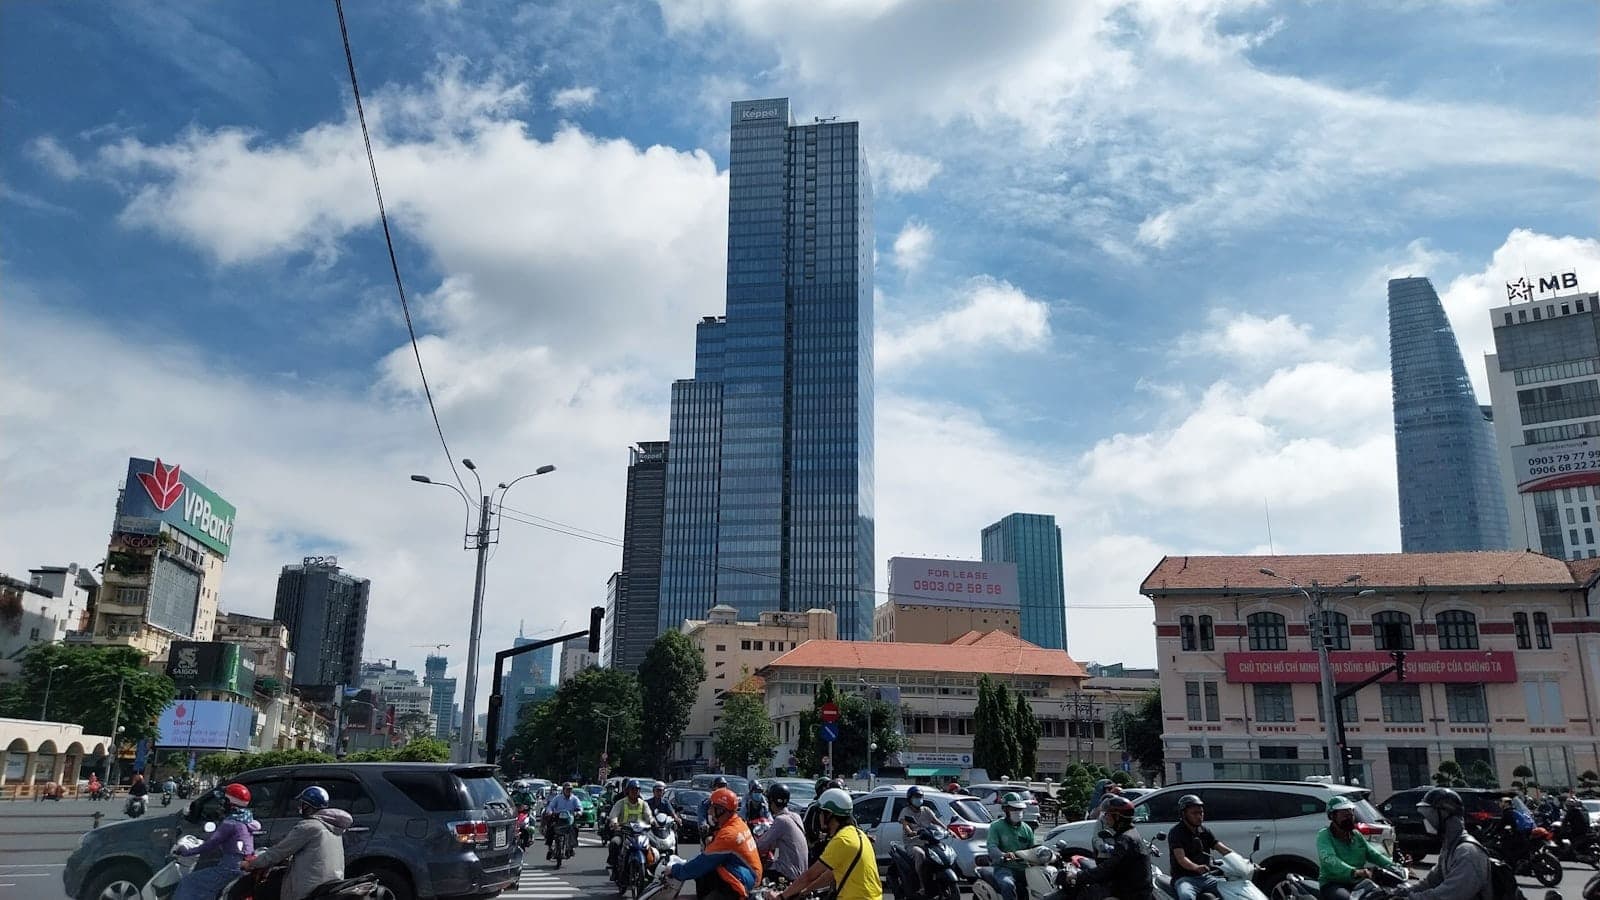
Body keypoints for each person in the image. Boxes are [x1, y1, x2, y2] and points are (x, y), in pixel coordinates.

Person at [241, 786, 352, 900]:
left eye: (301, 803)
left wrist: (251, 864)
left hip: (309, 888)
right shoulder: (335, 828)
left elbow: (278, 852)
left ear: (307, 806)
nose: (299, 807)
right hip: (331, 884)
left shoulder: (309, 826)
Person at [778, 788, 880, 900]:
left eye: (821, 813)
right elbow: (830, 874)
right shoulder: (858, 834)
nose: (819, 817)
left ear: (829, 814)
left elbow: (809, 876)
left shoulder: (842, 840)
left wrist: (781, 896)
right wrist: (806, 891)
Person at [670, 787, 763, 900]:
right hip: (747, 872)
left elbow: (701, 863)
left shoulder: (728, 835)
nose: (709, 811)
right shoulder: (737, 822)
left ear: (720, 810)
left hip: (745, 879)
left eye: (712, 808)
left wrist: (674, 870)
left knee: (703, 868)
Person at [1403, 788, 1492, 900]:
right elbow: (1431, 882)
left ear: (1445, 815)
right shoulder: (1450, 848)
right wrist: (1402, 892)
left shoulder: (1467, 853)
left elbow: (1448, 895)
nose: (1427, 821)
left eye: (1431, 816)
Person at [173, 783, 255, 900]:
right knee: (208, 891)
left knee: (188, 882)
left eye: (223, 801)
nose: (220, 805)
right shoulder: (247, 820)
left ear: (230, 803)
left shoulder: (231, 823)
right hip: (243, 866)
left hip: (229, 868)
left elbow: (211, 844)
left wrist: (186, 851)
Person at [1070, 795, 1152, 900]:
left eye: (1108, 814)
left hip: (1131, 893)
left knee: (1086, 894)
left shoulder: (1125, 839)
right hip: (1133, 890)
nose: (1105, 817)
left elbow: (1108, 867)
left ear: (1117, 817)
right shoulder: (1130, 834)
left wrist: (1079, 876)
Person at [1315, 796, 1397, 900]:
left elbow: (1373, 854)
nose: (1349, 817)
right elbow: (1330, 860)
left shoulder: (1356, 835)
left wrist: (1394, 867)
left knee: (1384, 895)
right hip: (1334, 884)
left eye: (1351, 814)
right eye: (1344, 814)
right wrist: (1354, 872)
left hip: (1359, 882)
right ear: (1332, 816)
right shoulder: (1324, 835)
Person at [1169, 794, 1233, 900]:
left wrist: (1243, 862)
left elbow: (1220, 847)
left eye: (1201, 812)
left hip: (1206, 877)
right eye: (1194, 813)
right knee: (1187, 897)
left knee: (1231, 889)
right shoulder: (1176, 832)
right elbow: (1181, 858)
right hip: (1185, 879)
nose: (1199, 816)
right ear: (1184, 814)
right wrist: (1196, 867)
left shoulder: (1203, 831)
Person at [984, 793, 1036, 900]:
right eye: (1014, 809)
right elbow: (992, 846)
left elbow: (1033, 849)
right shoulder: (996, 826)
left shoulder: (1027, 829)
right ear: (1005, 809)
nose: (1018, 812)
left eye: (1020, 809)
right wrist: (1003, 855)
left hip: (1024, 869)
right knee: (1008, 884)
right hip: (1004, 868)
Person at [756, 782, 808, 884]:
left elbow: (760, 846)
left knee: (756, 878)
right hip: (801, 873)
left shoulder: (781, 820)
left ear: (771, 801)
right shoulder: (796, 816)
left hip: (788, 874)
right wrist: (774, 860)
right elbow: (780, 846)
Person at [897, 786, 943, 896]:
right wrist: (911, 832)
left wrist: (947, 829)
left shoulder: (926, 810)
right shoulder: (905, 811)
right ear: (910, 799)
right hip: (913, 843)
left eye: (920, 797)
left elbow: (936, 821)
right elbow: (905, 825)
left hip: (929, 842)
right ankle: (922, 886)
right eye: (916, 797)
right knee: (920, 854)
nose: (919, 799)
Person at [608, 779, 654, 872]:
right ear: (627, 791)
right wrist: (615, 823)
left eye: (637, 789)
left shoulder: (643, 803)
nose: (634, 792)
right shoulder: (620, 803)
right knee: (614, 843)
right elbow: (613, 815)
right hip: (623, 831)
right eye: (632, 789)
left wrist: (653, 822)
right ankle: (615, 867)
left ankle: (651, 868)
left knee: (654, 845)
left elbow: (649, 816)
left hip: (640, 833)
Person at [543, 784, 583, 859]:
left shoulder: (574, 799)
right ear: (563, 790)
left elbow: (580, 807)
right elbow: (551, 806)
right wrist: (550, 812)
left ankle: (572, 847)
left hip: (570, 818)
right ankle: (549, 848)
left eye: (570, 789)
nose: (569, 791)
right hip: (558, 818)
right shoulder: (558, 798)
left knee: (575, 829)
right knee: (550, 829)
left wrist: (578, 812)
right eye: (567, 789)